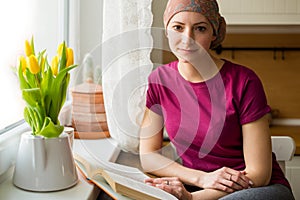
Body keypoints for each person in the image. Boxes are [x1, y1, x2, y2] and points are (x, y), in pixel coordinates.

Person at [139, 0, 295, 199]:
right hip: (200, 187)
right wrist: (200, 179)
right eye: (178, 27)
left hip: (255, 190)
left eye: (200, 28)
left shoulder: (244, 81)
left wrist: (192, 198)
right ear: (167, 31)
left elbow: (260, 175)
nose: (187, 39)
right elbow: (148, 156)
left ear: (214, 34)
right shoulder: (159, 80)